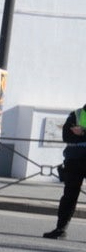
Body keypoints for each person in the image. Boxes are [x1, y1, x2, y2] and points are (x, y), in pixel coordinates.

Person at [42, 98, 86, 240]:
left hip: (76, 157)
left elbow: (74, 135)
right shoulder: (77, 114)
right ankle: (60, 229)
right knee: (69, 196)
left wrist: (82, 133)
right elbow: (66, 135)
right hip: (74, 160)